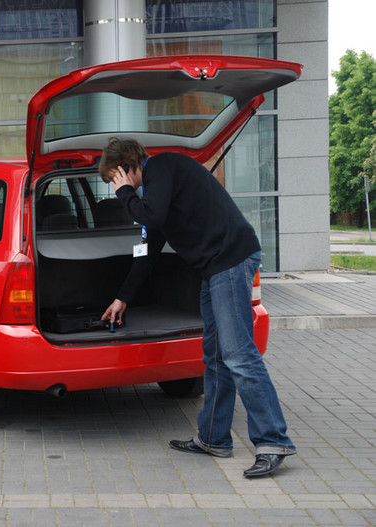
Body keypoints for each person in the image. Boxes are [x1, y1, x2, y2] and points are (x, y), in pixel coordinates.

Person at [99, 137, 296, 478]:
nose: (115, 186)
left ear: (128, 167)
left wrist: (125, 193)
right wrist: (123, 297)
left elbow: (151, 214)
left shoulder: (161, 167)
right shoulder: (157, 191)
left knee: (239, 355)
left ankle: (273, 441)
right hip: (215, 269)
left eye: (115, 178)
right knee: (216, 357)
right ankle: (213, 439)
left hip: (231, 259)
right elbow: (149, 248)